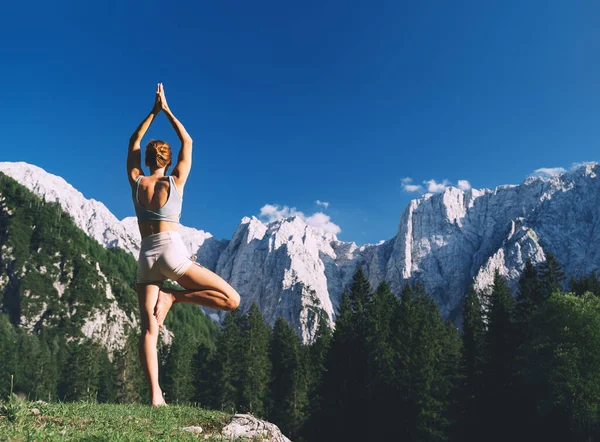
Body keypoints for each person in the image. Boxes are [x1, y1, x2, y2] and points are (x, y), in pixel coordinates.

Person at [127, 83, 240, 406]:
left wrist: (152, 112)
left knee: (149, 329)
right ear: (168, 158)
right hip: (173, 253)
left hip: (146, 255)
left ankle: (155, 396)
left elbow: (133, 141)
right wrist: (168, 110)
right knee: (232, 299)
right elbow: (188, 141)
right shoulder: (175, 180)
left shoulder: (137, 182)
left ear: (146, 159)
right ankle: (174, 298)